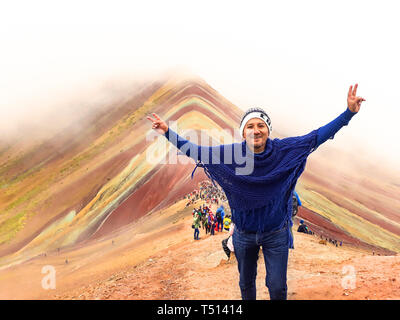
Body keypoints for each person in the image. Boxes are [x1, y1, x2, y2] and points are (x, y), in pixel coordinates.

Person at [147, 83, 365, 300]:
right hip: (243, 234)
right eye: (250, 126)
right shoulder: (231, 154)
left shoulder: (284, 150)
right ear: (243, 132)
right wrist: (167, 132)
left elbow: (317, 137)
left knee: (277, 287)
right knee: (246, 283)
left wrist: (348, 114)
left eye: (260, 125)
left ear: (268, 130)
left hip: (276, 233)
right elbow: (196, 151)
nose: (255, 130)